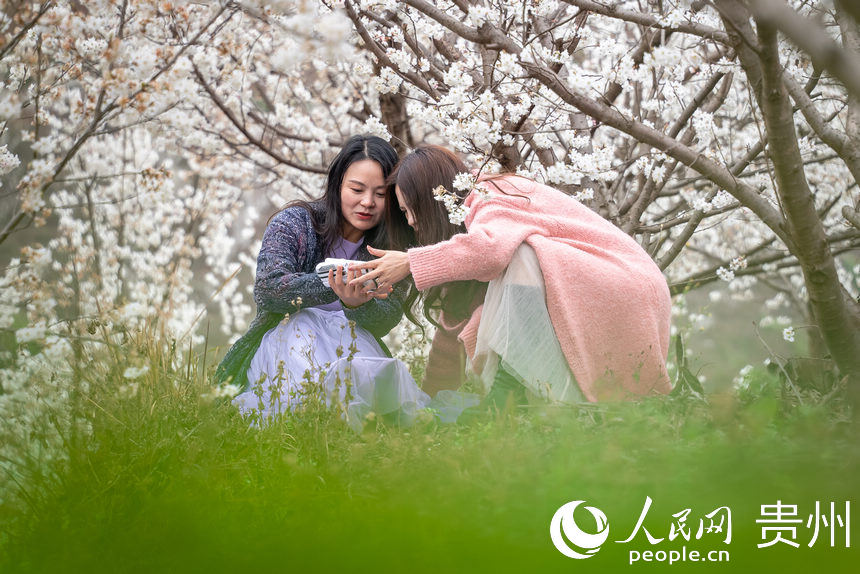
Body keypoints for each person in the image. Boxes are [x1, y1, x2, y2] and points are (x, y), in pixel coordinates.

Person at [352, 145, 673, 409]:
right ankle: (506, 400)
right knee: (488, 308)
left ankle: (504, 396)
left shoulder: (490, 195)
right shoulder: (468, 244)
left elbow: (493, 252)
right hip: (606, 293)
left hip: (624, 287)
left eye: (411, 211)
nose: (411, 224)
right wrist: (427, 405)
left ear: (432, 199)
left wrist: (412, 261)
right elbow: (451, 332)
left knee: (521, 253)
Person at [214, 135, 428, 429]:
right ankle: (314, 416)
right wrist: (334, 283)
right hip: (286, 340)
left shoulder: (393, 245)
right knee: (305, 325)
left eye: (380, 194)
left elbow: (385, 319)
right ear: (337, 184)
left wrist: (355, 306)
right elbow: (268, 289)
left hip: (352, 343)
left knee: (366, 385)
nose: (367, 202)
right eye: (356, 189)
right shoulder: (295, 222)